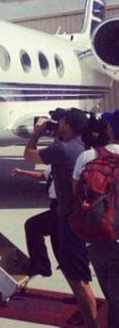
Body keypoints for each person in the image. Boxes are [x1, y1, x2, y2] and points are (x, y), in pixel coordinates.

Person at [24, 108, 99, 328]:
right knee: (71, 268)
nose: (58, 123)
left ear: (69, 126)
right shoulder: (81, 146)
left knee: (79, 278)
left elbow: (29, 155)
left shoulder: (62, 149)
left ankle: (90, 321)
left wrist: (37, 133)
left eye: (62, 121)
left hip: (70, 220)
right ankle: (43, 266)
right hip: (70, 215)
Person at [73, 109, 119, 328]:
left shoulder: (88, 156)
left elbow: (76, 195)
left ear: (109, 129)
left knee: (113, 301)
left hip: (97, 240)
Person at [10, 167, 60, 277]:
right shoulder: (57, 164)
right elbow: (43, 175)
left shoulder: (68, 164)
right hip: (57, 208)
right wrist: (23, 172)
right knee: (62, 254)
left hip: (64, 209)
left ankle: (41, 265)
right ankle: (42, 265)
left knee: (32, 226)